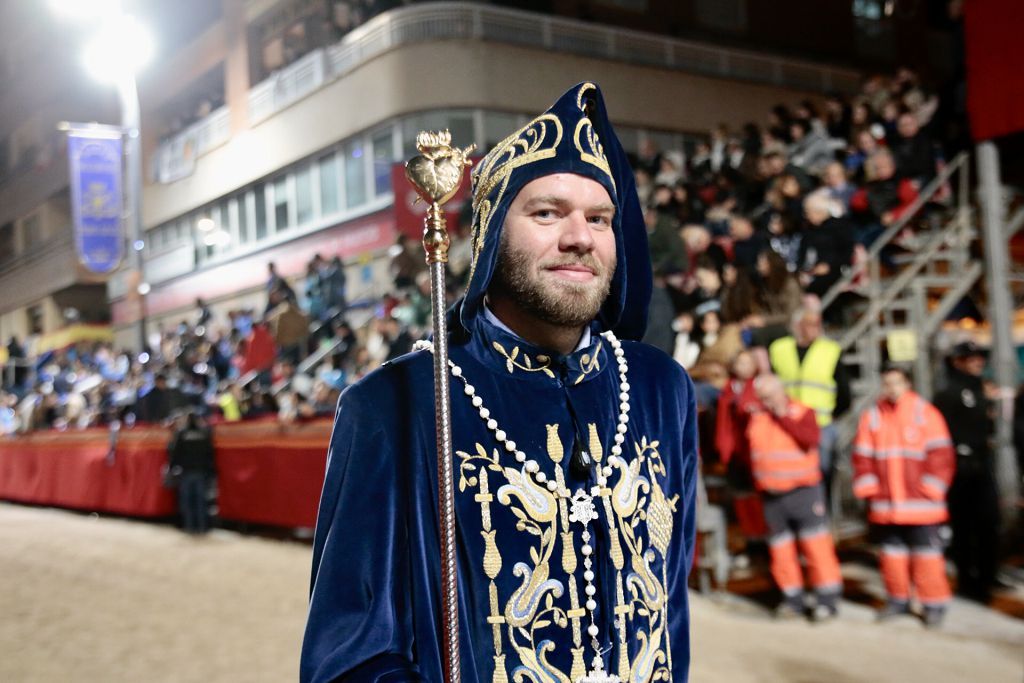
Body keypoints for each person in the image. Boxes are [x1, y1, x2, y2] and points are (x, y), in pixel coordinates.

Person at [302, 83, 698, 682]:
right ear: (490, 238)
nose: (580, 237)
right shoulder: (395, 404)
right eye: (546, 212)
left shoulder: (660, 388)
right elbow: (349, 657)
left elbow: (671, 613)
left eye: (599, 218)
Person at [852, 365, 955, 627]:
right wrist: (869, 486)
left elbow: (941, 456)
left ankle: (933, 604)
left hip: (921, 505)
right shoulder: (873, 415)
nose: (891, 388)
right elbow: (862, 457)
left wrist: (931, 488)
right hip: (887, 505)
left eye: (896, 383)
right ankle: (898, 600)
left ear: (907, 384)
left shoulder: (925, 413)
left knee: (927, 557)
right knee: (891, 556)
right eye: (886, 383)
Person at [748, 374, 843, 621]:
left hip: (803, 491)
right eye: (762, 398)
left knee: (816, 547)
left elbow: (810, 438)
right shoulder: (757, 417)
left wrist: (783, 416)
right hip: (771, 494)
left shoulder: (802, 412)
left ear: (781, 392)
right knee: (781, 551)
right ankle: (792, 600)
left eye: (769, 397)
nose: (765, 402)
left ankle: (826, 600)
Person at [932, 341, 1001, 603]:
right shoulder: (949, 393)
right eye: (970, 358)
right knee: (964, 527)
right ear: (957, 361)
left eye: (979, 357)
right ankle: (968, 581)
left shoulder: (981, 390)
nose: (977, 362)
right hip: (961, 467)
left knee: (989, 524)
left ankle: (987, 576)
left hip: (982, 464)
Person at [767, 300, 850, 493]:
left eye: (817, 323)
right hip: (786, 420)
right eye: (809, 323)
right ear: (797, 325)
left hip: (821, 423)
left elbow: (844, 392)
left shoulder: (830, 350)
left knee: (823, 470)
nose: (815, 328)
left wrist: (833, 415)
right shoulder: (779, 349)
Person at [167, 411, 217, 535]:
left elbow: (175, 452)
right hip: (200, 472)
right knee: (201, 501)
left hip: (186, 472)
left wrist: (173, 467)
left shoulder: (181, 433)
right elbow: (210, 453)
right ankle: (202, 527)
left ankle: (189, 527)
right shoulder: (205, 434)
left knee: (187, 501)